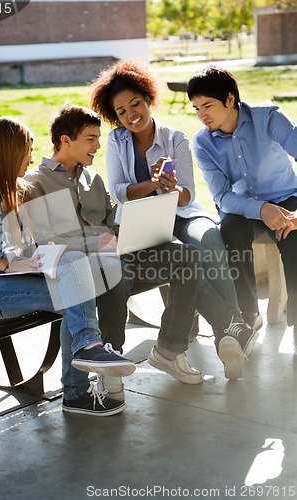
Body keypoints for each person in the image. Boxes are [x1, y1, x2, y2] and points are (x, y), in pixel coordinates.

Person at [0, 115, 136, 417]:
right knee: (72, 294)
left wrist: (39, 258)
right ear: (10, 150)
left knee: (75, 269)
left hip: (21, 277)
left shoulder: (16, 190)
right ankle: (80, 380)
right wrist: (6, 265)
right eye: (28, 150)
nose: (32, 158)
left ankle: (86, 358)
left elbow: (26, 246)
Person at [90, 59, 258, 379]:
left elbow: (188, 195)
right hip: (142, 223)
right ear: (115, 115)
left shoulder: (175, 137)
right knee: (185, 258)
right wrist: (152, 184)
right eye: (122, 111)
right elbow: (119, 192)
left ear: (148, 98)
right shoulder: (116, 141)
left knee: (207, 236)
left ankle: (229, 330)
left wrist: (170, 188)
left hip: (179, 213)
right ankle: (232, 330)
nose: (131, 114)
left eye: (135, 104)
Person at [187, 64, 297, 351]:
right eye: (196, 108)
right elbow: (222, 196)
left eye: (207, 105)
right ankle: (248, 314)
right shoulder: (202, 143)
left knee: (295, 239)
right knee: (229, 231)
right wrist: (261, 209)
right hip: (242, 206)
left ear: (230, 99)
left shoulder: (268, 118)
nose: (202, 115)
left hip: (286, 196)